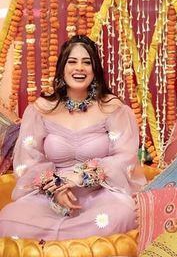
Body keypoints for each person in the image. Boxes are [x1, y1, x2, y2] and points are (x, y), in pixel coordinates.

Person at [0, 34, 144, 241]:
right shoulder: (41, 110)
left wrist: (82, 177)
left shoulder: (113, 108)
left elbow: (124, 158)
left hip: (100, 194)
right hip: (49, 195)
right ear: (62, 68)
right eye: (72, 61)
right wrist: (56, 188)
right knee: (8, 220)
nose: (79, 68)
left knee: (122, 215)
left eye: (87, 62)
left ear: (95, 70)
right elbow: (29, 160)